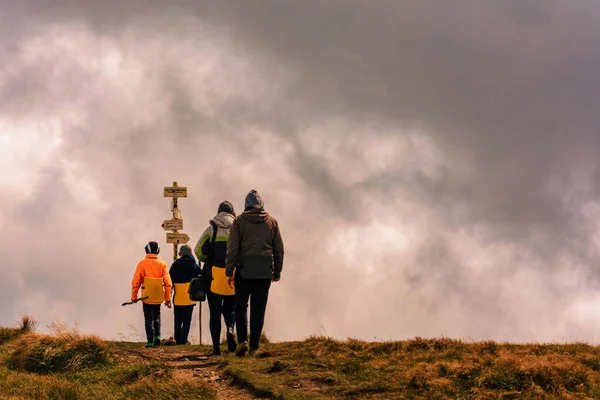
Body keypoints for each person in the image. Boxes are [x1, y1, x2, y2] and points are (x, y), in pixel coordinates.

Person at [226, 190, 284, 356]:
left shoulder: (238, 222)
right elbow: (279, 250)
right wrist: (277, 271)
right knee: (258, 309)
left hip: (243, 270)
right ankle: (254, 346)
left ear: (246, 205)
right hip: (264, 272)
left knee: (240, 306)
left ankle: (242, 340)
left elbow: (233, 248)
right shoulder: (272, 222)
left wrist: (229, 271)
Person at [195, 201, 237, 355]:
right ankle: (231, 330)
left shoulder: (211, 230)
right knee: (230, 309)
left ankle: (216, 348)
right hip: (231, 277)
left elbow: (198, 252)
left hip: (213, 277)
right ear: (233, 213)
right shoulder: (237, 229)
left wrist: (209, 258)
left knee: (214, 312)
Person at [131, 241, 173, 348]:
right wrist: (168, 299)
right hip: (158, 295)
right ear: (158, 251)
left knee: (148, 318)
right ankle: (157, 336)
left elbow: (136, 282)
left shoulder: (142, 264)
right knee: (157, 315)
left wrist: (134, 297)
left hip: (147, 296)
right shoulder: (162, 264)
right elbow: (168, 283)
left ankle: (150, 341)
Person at [169, 244, 201, 345]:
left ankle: (177, 339)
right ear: (191, 253)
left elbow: (170, 280)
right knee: (187, 320)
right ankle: (184, 340)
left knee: (177, 320)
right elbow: (200, 279)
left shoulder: (175, 265)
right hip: (190, 297)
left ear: (180, 254)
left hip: (178, 297)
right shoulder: (195, 266)